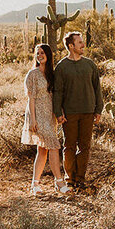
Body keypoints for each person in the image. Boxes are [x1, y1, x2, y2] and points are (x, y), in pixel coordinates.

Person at [52, 31, 102, 192]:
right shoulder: (62, 67)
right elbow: (57, 91)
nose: (83, 45)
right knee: (69, 146)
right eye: (79, 43)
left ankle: (80, 178)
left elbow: (97, 88)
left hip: (88, 111)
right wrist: (58, 112)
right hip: (70, 113)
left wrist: (98, 109)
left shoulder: (90, 65)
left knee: (85, 146)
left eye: (82, 42)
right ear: (71, 46)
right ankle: (70, 179)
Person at [21, 43, 68, 195]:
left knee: (42, 150)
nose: (40, 55)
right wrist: (33, 120)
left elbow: (55, 96)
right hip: (37, 115)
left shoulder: (51, 74)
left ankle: (35, 185)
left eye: (42, 53)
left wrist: (59, 113)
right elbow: (31, 99)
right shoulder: (32, 74)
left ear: (48, 55)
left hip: (50, 116)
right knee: (54, 147)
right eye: (37, 53)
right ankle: (59, 182)